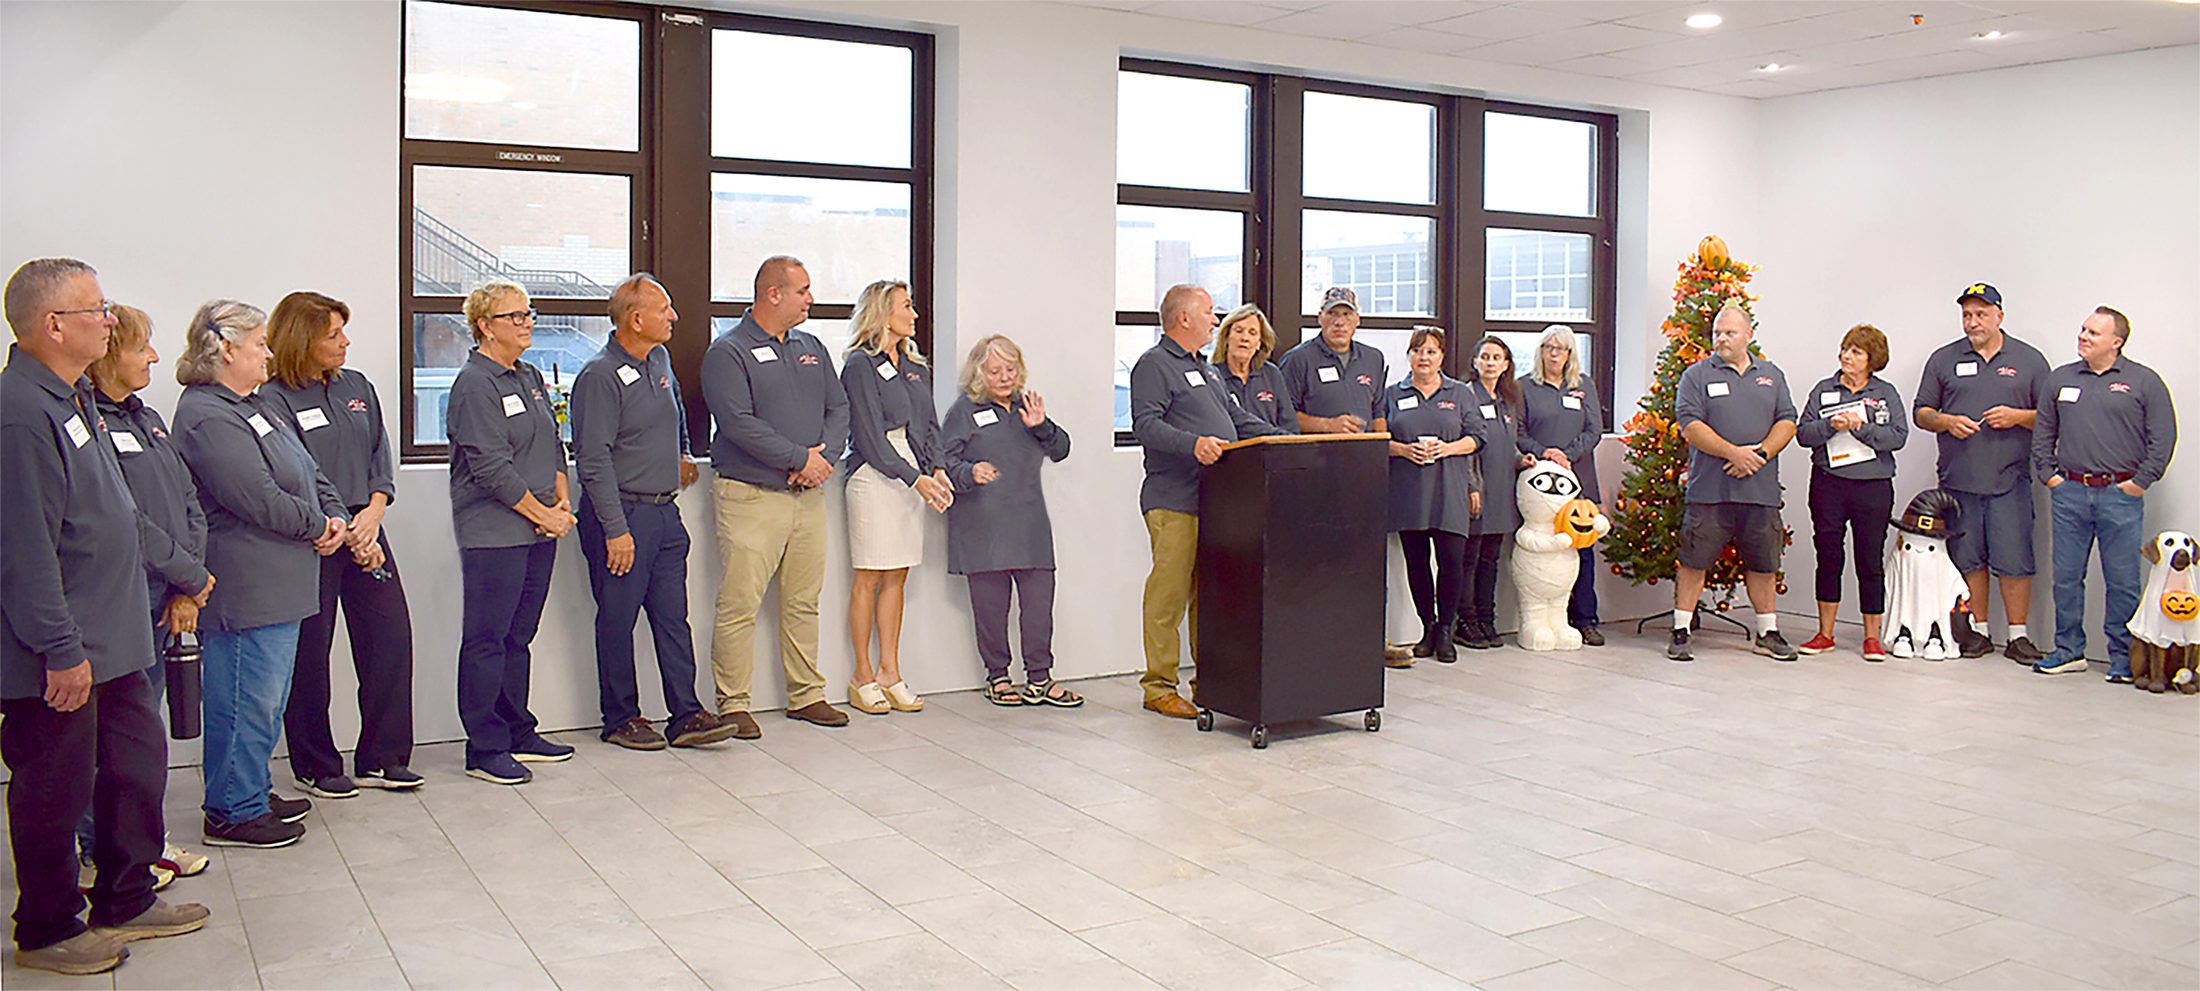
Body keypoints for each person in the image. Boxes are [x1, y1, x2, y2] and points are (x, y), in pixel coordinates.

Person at [3, 259, 208, 976]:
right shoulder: (21, 413)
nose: (109, 319)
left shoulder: (75, 398)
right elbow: (24, 550)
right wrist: (60, 648)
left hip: (118, 637)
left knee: (133, 769)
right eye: (96, 309)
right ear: (53, 325)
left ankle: (126, 896)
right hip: (64, 649)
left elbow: (116, 512)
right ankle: (47, 928)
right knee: (54, 790)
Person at [174, 299, 360, 846]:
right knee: (242, 699)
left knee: (267, 700)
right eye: (259, 344)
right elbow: (256, 497)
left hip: (283, 584)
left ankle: (249, 788)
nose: (268, 353)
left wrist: (336, 515)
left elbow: (311, 471)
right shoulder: (207, 415)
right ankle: (232, 810)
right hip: (247, 587)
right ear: (226, 350)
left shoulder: (256, 405)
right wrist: (318, 525)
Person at [569, 275, 740, 750]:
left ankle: (686, 713)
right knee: (617, 620)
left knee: (673, 619)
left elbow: (676, 410)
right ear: (636, 318)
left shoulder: (659, 358)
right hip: (622, 515)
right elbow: (593, 460)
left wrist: (683, 451)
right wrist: (615, 530)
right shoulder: (600, 376)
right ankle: (620, 718)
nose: (673, 317)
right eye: (664, 309)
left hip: (665, 515)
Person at [261, 291, 422, 795]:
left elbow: (378, 453)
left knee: (390, 638)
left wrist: (373, 513)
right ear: (302, 339)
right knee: (312, 652)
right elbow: (295, 471)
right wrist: (345, 529)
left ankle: (383, 758)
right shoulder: (273, 399)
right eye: (333, 334)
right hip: (316, 537)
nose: (345, 342)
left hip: (367, 526)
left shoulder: (357, 385)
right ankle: (316, 765)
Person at [86, 304, 212, 882]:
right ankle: (101, 848)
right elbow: (125, 519)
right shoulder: (87, 424)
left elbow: (189, 502)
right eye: (142, 349)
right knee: (109, 739)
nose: (155, 358)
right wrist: (188, 573)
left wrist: (188, 581)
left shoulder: (149, 418)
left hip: (168, 594)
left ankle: (144, 841)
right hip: (123, 596)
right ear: (110, 354)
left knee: (143, 736)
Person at [703, 255, 851, 734]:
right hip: (750, 496)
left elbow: (839, 408)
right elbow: (737, 423)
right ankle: (734, 704)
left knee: (804, 600)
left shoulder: (811, 347)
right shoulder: (728, 352)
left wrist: (822, 459)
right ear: (773, 294)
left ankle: (806, 695)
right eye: (803, 290)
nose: (811, 299)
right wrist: (799, 458)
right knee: (740, 604)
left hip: (808, 497)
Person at [1130, 283, 1285, 718]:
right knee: (1169, 594)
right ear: (1184, 318)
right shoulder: (1154, 364)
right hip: (1174, 499)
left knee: (1209, 598)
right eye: (1209, 312)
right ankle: (1159, 686)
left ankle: (1209, 682)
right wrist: (1193, 444)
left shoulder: (1206, 369)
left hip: (1215, 501)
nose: (1215, 320)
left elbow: (1236, 419)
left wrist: (1283, 438)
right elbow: (1145, 425)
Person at [446, 281, 577, 785]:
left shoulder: (528, 374)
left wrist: (560, 498)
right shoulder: (474, 384)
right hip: (495, 532)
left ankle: (517, 729)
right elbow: (491, 468)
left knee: (518, 636)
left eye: (528, 314)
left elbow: (551, 441)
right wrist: (543, 514)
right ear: (484, 325)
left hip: (539, 527)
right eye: (514, 316)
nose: (526, 323)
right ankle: (485, 747)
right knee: (487, 639)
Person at [2032, 306, 2177, 681]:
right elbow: (2043, 433)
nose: (2083, 336)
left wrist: (2140, 482)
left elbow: (2163, 438)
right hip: (2069, 493)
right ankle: (2068, 651)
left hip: (2120, 495)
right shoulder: (2060, 379)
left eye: (2093, 333)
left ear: (2117, 342)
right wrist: (2049, 476)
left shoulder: (2144, 381)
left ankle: (2123, 660)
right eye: (2083, 329)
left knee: (2123, 581)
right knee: (2066, 578)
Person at [1913, 283, 2050, 662]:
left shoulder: (2029, 360)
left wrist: (2017, 417)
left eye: (1981, 314)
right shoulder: (1943, 359)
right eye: (1967, 315)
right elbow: (1921, 412)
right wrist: (1946, 421)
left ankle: (2018, 636)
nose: (1973, 322)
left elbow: (2051, 416)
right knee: (1969, 558)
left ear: (1999, 316)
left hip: (2010, 480)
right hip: (1959, 481)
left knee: (2015, 558)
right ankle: (1978, 631)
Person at [940, 335, 1080, 707]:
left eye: (1010, 369)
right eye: (995, 370)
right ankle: (998, 677)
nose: (1004, 377)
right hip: (982, 525)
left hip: (1030, 523)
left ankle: (1040, 679)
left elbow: (1062, 449)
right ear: (979, 373)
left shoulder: (1026, 407)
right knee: (990, 608)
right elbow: (943, 462)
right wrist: (971, 471)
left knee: (1038, 607)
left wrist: (1041, 426)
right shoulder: (964, 410)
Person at [839, 278, 949, 716]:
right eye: (907, 306)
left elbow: (930, 426)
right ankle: (862, 675)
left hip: (912, 474)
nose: (914, 314)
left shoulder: (916, 367)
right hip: (874, 475)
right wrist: (914, 478)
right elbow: (869, 437)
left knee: (897, 576)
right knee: (868, 576)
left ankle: (890, 670)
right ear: (883, 313)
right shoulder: (859, 366)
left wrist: (937, 469)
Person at [1668, 303, 1800, 663]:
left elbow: (1788, 421)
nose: (1722, 339)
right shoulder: (1696, 375)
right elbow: (1690, 425)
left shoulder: (1771, 375)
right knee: (1693, 561)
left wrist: (1760, 454)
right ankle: (1681, 630)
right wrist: (1732, 453)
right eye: (1717, 333)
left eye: (1730, 333)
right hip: (1710, 492)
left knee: (1764, 564)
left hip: (1760, 491)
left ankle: (1767, 632)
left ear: (1749, 335)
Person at [1795, 324, 1909, 661]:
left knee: (1869, 559)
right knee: (1829, 556)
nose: (1847, 356)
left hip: (1873, 486)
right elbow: (1803, 434)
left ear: (1873, 359)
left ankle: (1872, 637)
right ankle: (1825, 633)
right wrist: (1830, 425)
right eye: (1845, 349)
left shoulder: (1885, 393)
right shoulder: (1823, 390)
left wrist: (1861, 428)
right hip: (1828, 483)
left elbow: (1898, 436)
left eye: (1856, 352)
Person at [1385, 327, 1484, 664]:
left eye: (1431, 351)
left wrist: (1447, 448)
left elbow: (1477, 437)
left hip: (1449, 489)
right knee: (1417, 562)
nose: (1423, 357)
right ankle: (1427, 627)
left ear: (1442, 356)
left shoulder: (1460, 393)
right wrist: (1403, 449)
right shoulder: (1392, 393)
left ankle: (1446, 630)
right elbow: (1379, 437)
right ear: (1409, 356)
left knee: (1451, 561)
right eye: (1417, 351)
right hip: (1409, 490)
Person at [1518, 325, 1607, 645]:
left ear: (1570, 354)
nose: (1554, 354)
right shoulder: (1524, 386)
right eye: (1548, 347)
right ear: (1540, 351)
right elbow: (1519, 431)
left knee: (1582, 548)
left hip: (1578, 479)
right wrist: (1546, 454)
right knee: (1544, 545)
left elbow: (1594, 429)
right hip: (1540, 483)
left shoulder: (1583, 385)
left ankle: (1585, 619)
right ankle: (1542, 619)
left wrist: (1566, 455)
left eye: (1560, 348)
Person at [1457, 335, 1534, 650]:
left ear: (1506, 365)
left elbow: (1508, 443)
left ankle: (1487, 619)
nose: (1490, 363)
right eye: (1485, 357)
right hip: (1478, 490)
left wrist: (1521, 459)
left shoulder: (1507, 400)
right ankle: (1466, 620)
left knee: (1490, 558)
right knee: (1469, 559)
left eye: (1496, 358)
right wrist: (1472, 486)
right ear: (1475, 362)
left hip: (1502, 491)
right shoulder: (1465, 396)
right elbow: (1466, 446)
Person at [1278, 286, 1386, 436]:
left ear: (1357, 319)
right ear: (1320, 317)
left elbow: (1378, 413)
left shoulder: (1373, 358)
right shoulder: (1297, 359)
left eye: (1347, 314)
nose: (1339, 322)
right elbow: (1283, 417)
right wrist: (1328, 425)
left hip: (1363, 449)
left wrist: (1380, 445)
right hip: (1315, 450)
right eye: (1332, 313)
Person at [1211, 304, 1296, 432]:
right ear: (1226, 337)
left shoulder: (1271, 374)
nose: (1245, 338)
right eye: (1239, 331)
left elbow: (1289, 424)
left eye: (1252, 333)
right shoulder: (1212, 376)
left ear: (1259, 343)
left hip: (1272, 444)